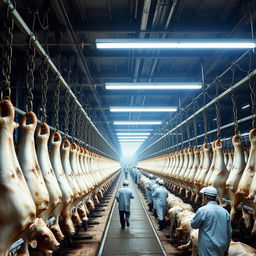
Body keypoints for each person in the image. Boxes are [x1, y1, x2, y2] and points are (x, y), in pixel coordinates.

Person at [190, 186, 232, 256]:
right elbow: (229, 232)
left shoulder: (202, 210)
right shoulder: (225, 212)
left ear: (205, 198)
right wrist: (226, 248)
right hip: (221, 246)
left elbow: (194, 225)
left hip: (207, 246)